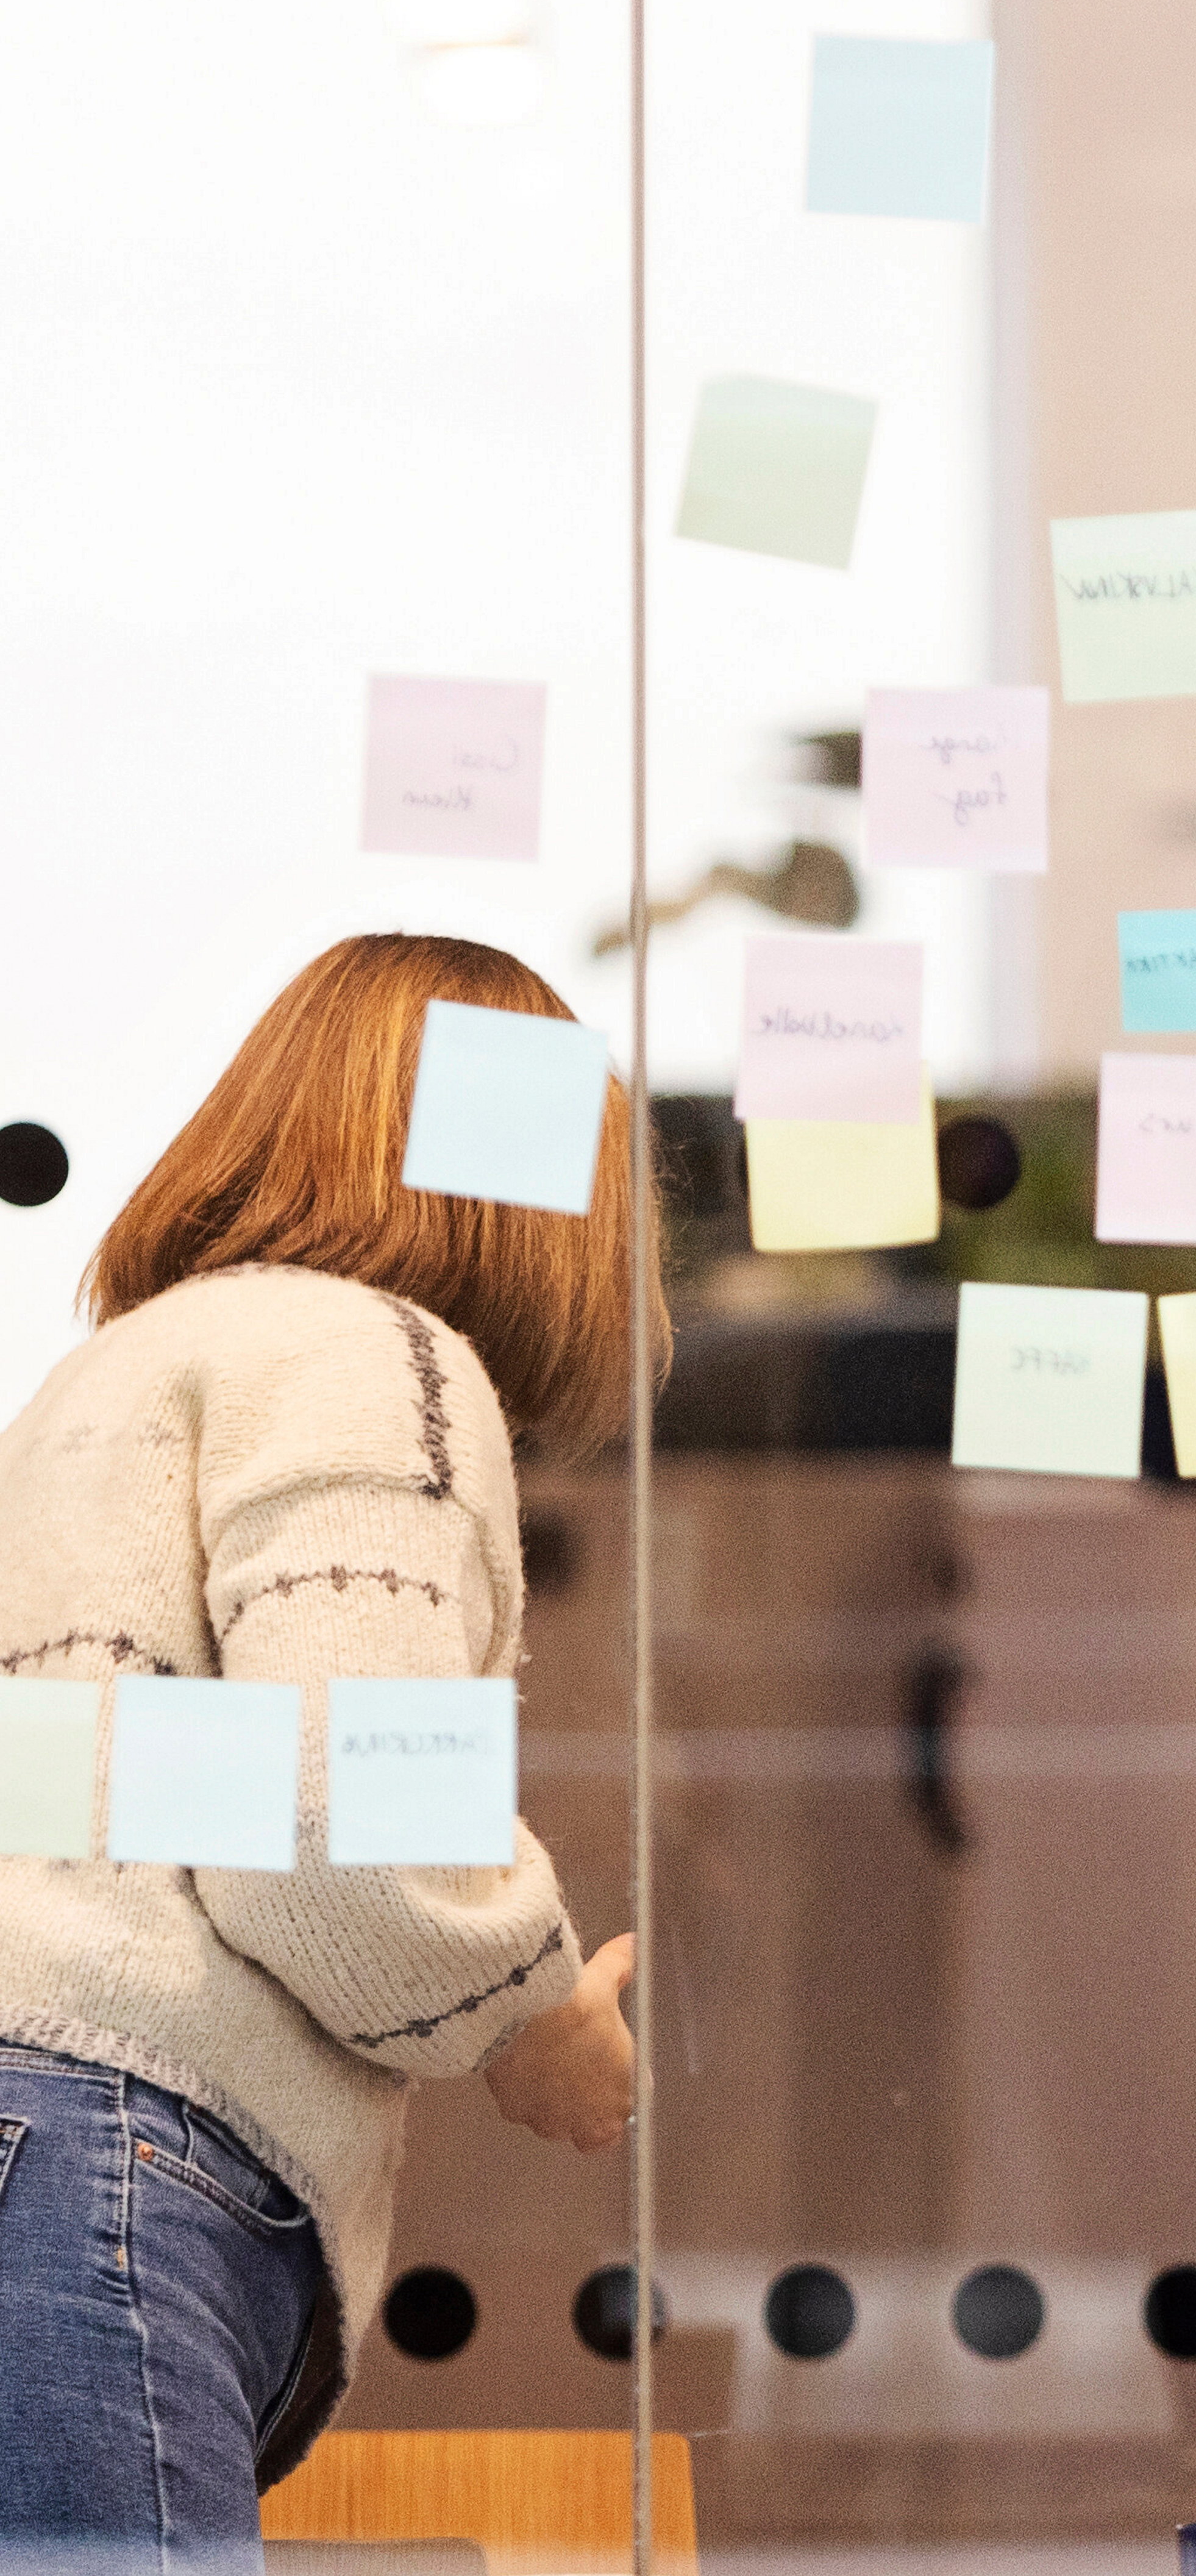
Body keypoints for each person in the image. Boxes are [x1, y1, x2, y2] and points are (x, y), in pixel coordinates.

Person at [0, 935, 661, 2558]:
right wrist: (537, 2015)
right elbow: (345, 1827)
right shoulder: (382, 1366)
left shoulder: (98, 1386)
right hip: (106, 2150)